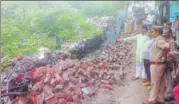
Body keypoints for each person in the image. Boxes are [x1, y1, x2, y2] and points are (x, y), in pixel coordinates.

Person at [142, 25, 170, 104]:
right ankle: (160, 99)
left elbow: (167, 47)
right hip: (158, 64)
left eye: (152, 31)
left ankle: (151, 99)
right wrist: (163, 56)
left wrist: (163, 56)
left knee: (154, 82)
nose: (151, 33)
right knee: (160, 82)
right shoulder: (157, 39)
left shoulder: (159, 40)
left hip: (157, 64)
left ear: (157, 32)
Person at [163, 23, 177, 101]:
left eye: (166, 33)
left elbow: (173, 53)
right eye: (163, 33)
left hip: (169, 63)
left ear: (170, 34)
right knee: (166, 78)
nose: (164, 34)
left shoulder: (172, 42)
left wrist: (169, 61)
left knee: (169, 78)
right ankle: (168, 92)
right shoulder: (164, 41)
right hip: (164, 62)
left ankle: (169, 94)